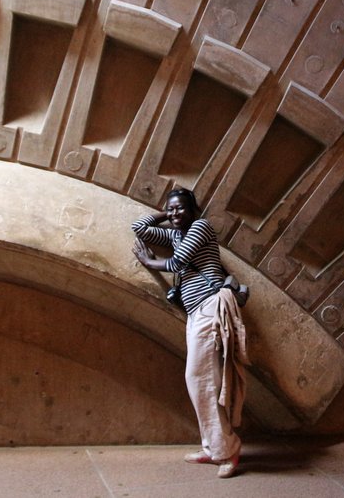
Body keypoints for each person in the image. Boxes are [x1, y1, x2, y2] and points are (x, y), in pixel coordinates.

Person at [131, 187, 248, 479]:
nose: (174, 213)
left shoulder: (200, 227)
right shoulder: (175, 233)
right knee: (199, 379)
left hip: (210, 306)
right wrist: (167, 213)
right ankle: (212, 447)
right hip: (196, 312)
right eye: (170, 209)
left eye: (180, 208)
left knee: (202, 378)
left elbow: (177, 263)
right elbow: (139, 228)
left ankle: (227, 449)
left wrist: (149, 262)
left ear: (193, 209)